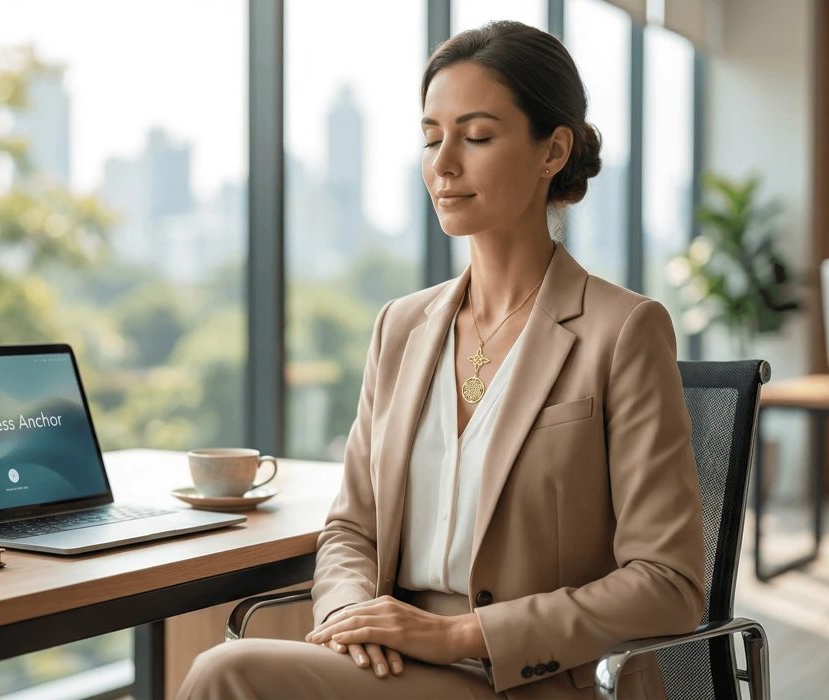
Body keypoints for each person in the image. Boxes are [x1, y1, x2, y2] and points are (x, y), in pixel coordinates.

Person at [177, 20, 705, 700]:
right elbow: (352, 528)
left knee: (224, 673)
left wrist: (459, 635)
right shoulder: (400, 328)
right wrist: (349, 617)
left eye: (476, 136)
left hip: (539, 680)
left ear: (553, 151)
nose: (443, 164)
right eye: (431, 138)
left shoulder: (623, 330)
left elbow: (669, 584)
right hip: (395, 667)